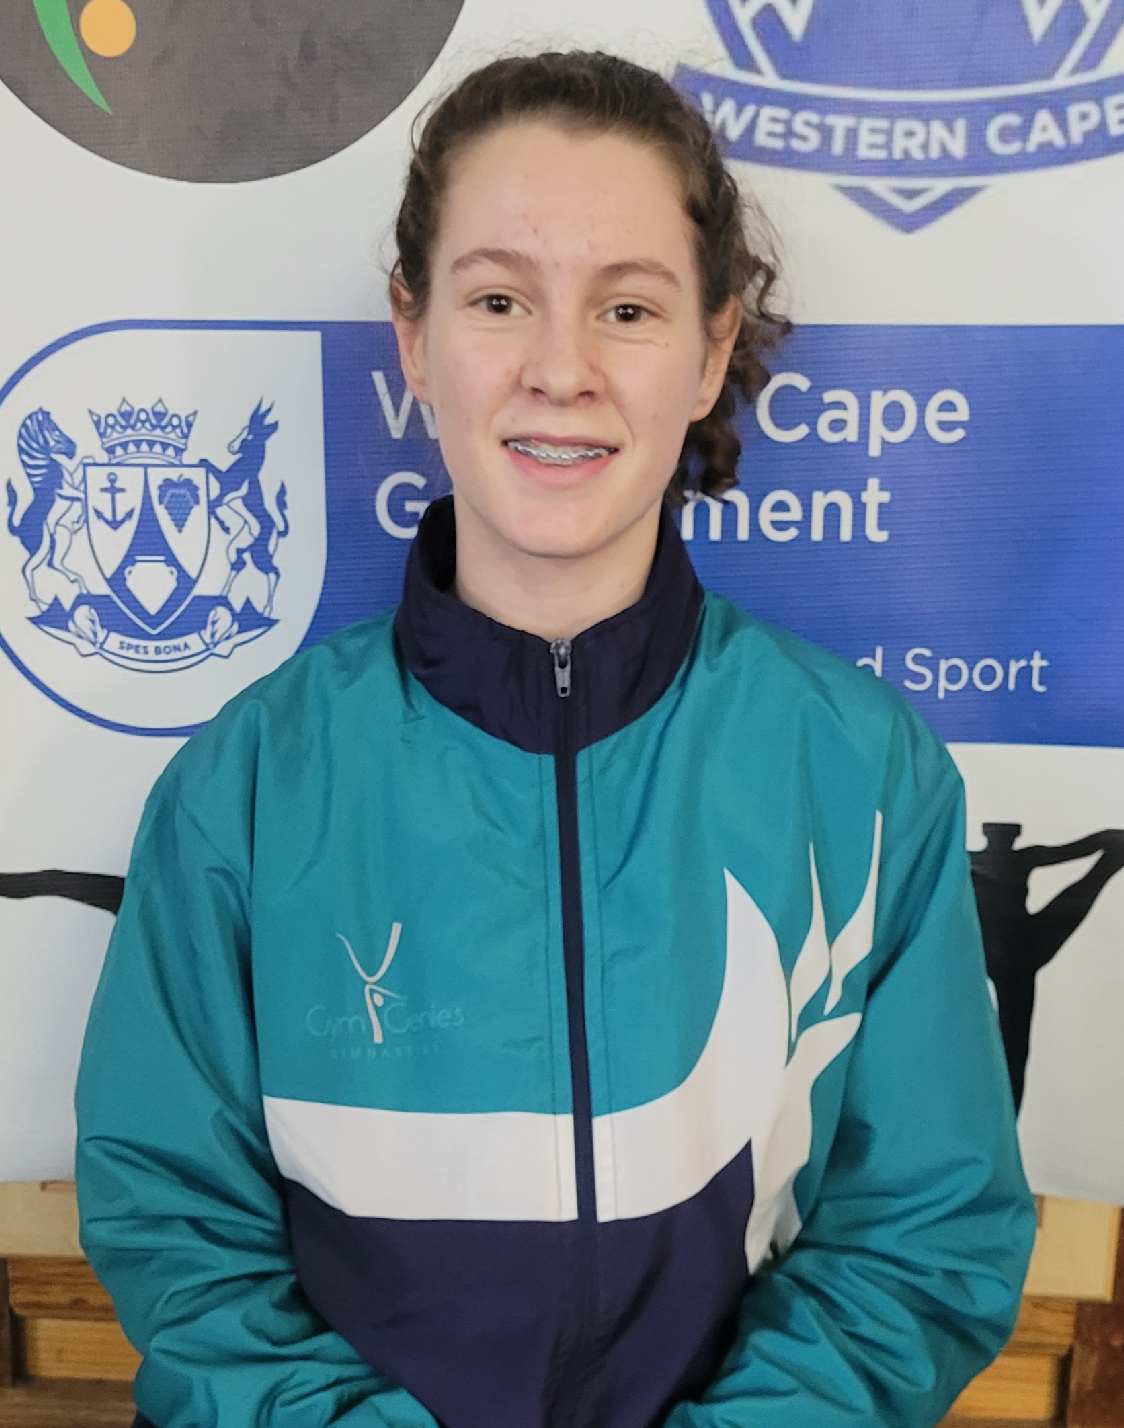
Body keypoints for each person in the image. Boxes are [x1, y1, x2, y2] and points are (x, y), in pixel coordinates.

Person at [75, 50, 1036, 1428]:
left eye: (628, 308)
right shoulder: (248, 788)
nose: (561, 370)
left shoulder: (862, 771)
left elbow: (924, 1236)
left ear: (712, 350)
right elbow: (180, 1234)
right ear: (413, 336)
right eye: (499, 299)